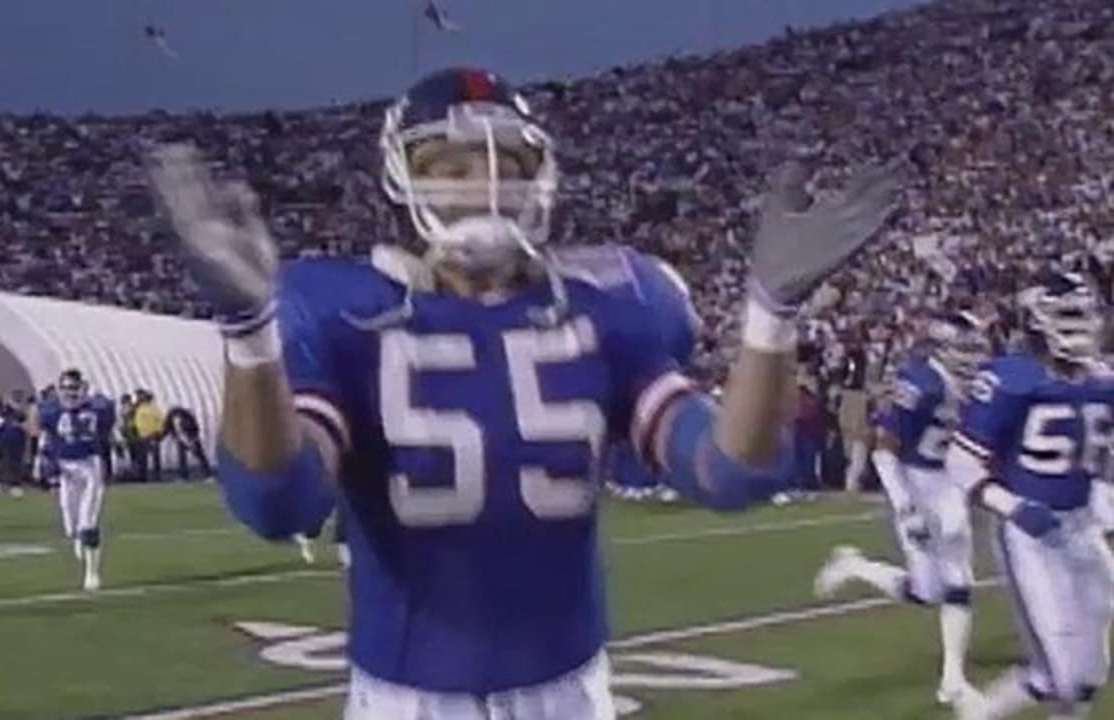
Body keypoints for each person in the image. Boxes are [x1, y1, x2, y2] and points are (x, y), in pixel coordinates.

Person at [149, 66, 898, 720]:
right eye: (451, 163)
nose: (485, 184)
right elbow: (279, 503)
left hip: (570, 693)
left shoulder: (615, 301)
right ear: (402, 179)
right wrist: (250, 333)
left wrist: (770, 319)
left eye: (505, 160)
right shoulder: (339, 308)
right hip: (407, 701)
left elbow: (732, 472)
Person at [950, 273, 1114, 720]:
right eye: (1067, 317)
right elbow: (961, 463)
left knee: (1086, 675)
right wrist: (1014, 507)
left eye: (1083, 316)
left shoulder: (1102, 379)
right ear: (1035, 321)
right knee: (1061, 673)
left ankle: (977, 713)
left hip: (1084, 528)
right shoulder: (1010, 377)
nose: (1080, 327)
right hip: (1031, 536)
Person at [814, 309, 989, 706]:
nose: (972, 358)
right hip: (915, 480)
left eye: (975, 349)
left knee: (959, 580)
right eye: (964, 349)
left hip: (949, 482)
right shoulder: (921, 383)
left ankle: (952, 680)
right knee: (926, 591)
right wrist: (906, 505)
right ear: (942, 348)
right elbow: (884, 450)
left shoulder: (977, 383)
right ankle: (854, 565)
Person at [37, 369, 114, 591]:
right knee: (70, 527)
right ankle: (79, 537)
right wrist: (43, 463)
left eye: (74, 388)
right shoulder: (51, 410)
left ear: (83, 388)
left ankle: (92, 573)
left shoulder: (98, 408)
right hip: (66, 469)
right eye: (66, 388)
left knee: (87, 523)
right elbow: (47, 438)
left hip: (90, 466)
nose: (70, 394)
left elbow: (106, 433)